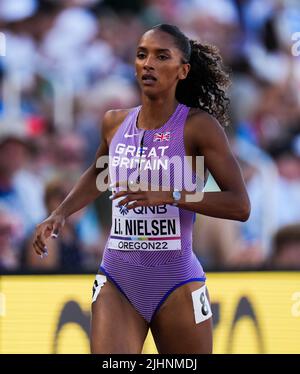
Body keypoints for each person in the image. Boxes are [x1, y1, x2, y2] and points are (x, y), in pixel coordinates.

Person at [32, 24, 250, 354]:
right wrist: (60, 213)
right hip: (118, 278)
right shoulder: (114, 122)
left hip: (177, 281)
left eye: (162, 57)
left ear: (183, 70)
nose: (148, 64)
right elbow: (99, 174)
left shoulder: (198, 127)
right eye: (141, 55)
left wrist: (170, 195)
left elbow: (240, 205)